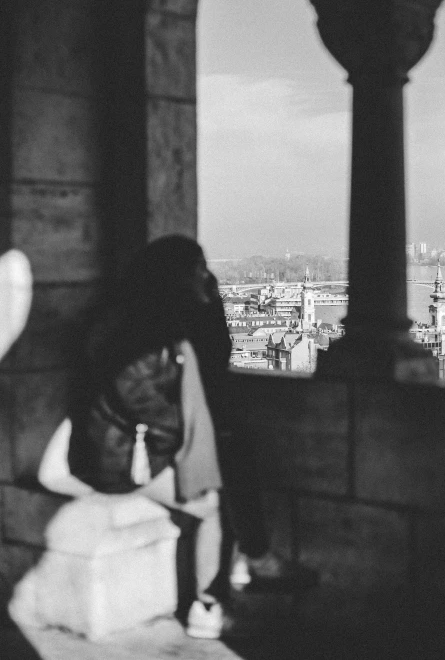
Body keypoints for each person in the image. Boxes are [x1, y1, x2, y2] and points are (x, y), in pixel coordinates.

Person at [38, 235, 315, 640]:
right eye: (199, 268)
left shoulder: (155, 316)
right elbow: (139, 398)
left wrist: (210, 294)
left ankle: (247, 558)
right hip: (121, 457)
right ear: (175, 277)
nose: (206, 274)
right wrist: (185, 440)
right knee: (210, 501)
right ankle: (209, 603)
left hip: (133, 444)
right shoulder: (138, 330)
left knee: (231, 448)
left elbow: (216, 359)